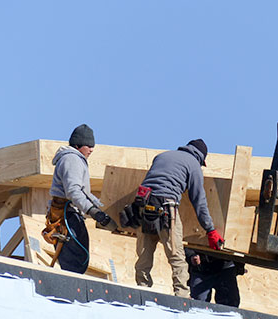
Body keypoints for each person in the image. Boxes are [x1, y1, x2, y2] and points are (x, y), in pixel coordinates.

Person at [131, 139, 224, 297]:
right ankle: (181, 295)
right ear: (201, 158)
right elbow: (199, 202)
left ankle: (143, 288)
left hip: (144, 205)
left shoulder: (162, 156)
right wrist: (210, 230)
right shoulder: (194, 165)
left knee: (144, 253)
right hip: (167, 208)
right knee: (177, 255)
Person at [43, 124, 117, 274]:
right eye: (88, 145)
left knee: (79, 257)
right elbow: (73, 191)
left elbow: (84, 192)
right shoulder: (72, 159)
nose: (91, 149)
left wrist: (101, 209)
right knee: (75, 260)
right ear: (78, 145)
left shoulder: (75, 159)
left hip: (70, 214)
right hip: (67, 216)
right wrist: (93, 211)